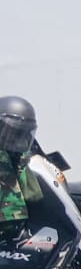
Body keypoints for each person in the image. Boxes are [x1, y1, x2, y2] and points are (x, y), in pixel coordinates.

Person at [0, 96, 43, 232]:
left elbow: (34, 196)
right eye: (12, 135)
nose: (18, 144)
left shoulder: (22, 159)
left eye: (23, 135)